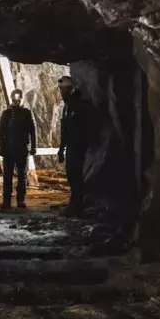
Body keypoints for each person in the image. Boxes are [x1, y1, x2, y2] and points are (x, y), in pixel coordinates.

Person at [0, 88, 37, 209]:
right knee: (7, 176)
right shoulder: (6, 113)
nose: (17, 102)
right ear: (12, 99)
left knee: (22, 176)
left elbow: (32, 131)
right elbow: (1, 131)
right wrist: (1, 146)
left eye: (19, 99)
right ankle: (7, 201)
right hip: (9, 150)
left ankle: (20, 200)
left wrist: (34, 146)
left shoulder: (26, 113)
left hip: (22, 149)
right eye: (15, 99)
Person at [57, 76, 89, 216]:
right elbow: (65, 129)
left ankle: (78, 205)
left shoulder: (78, 105)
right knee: (72, 175)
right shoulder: (68, 106)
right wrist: (62, 148)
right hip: (72, 145)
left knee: (76, 175)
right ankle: (75, 203)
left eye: (64, 89)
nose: (61, 92)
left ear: (71, 89)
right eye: (61, 89)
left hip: (78, 145)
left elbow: (79, 127)